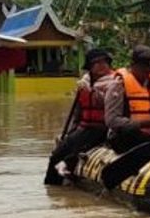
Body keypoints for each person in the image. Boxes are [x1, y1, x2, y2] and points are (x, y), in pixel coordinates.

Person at [45, 48, 117, 185]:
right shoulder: (84, 84)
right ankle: (53, 187)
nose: (101, 65)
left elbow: (114, 109)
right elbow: (77, 114)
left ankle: (67, 166)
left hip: (104, 129)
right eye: (96, 63)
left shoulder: (116, 83)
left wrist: (95, 93)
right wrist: (69, 134)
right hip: (84, 128)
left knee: (76, 151)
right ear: (90, 67)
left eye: (104, 62)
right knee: (56, 155)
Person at [104, 45, 150, 153]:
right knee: (138, 140)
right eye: (144, 68)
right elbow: (112, 120)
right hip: (126, 137)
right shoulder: (118, 85)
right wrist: (143, 123)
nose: (148, 71)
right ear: (133, 66)